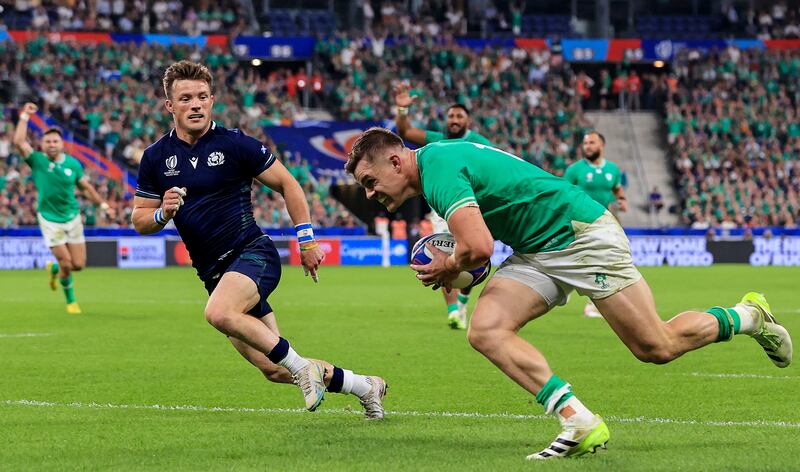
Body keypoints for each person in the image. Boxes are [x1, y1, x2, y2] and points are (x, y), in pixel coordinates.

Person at [345, 127, 792, 460]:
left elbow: (478, 249)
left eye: (370, 181)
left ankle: (749, 316)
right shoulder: (436, 161)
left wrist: (449, 265)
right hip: (537, 249)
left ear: (396, 162)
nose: (370, 193)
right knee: (485, 329)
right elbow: (479, 251)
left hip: (579, 235)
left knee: (656, 346)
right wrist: (462, 264)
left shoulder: (438, 171)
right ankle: (577, 420)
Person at [131, 60, 386, 418]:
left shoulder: (235, 144)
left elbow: (288, 184)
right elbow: (140, 218)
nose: (195, 104)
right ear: (169, 106)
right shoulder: (156, 157)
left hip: (252, 254)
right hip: (213, 275)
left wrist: (307, 240)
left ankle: (302, 368)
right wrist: (162, 213)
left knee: (219, 313)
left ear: (212, 100)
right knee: (272, 368)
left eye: (202, 96)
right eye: (186, 98)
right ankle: (365, 385)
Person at [394, 82, 492, 329]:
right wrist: (402, 109)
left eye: (459, 116)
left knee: (471, 255)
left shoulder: (480, 142)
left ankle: (462, 303)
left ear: (468, 121)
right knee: (444, 249)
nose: (454, 119)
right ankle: (453, 311)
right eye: (450, 116)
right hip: (442, 207)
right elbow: (404, 131)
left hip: (472, 206)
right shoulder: (438, 140)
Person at [13, 102, 115, 314]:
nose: (51, 144)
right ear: (41, 144)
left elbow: (85, 188)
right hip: (50, 219)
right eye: (47, 141)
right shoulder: (37, 161)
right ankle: (71, 301)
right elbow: (19, 142)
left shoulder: (73, 164)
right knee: (67, 262)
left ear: (62, 144)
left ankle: (54, 269)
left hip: (71, 216)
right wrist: (25, 116)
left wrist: (103, 205)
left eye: (55, 141)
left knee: (78, 265)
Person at [564, 131, 626, 318]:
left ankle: (591, 304)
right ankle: (565, 288)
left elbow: (616, 188)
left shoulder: (613, 170)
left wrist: (622, 199)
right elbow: (564, 193)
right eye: (585, 143)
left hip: (603, 223)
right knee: (579, 260)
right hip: (578, 223)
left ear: (601, 145)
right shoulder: (574, 170)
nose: (587, 146)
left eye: (591, 143)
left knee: (602, 259)